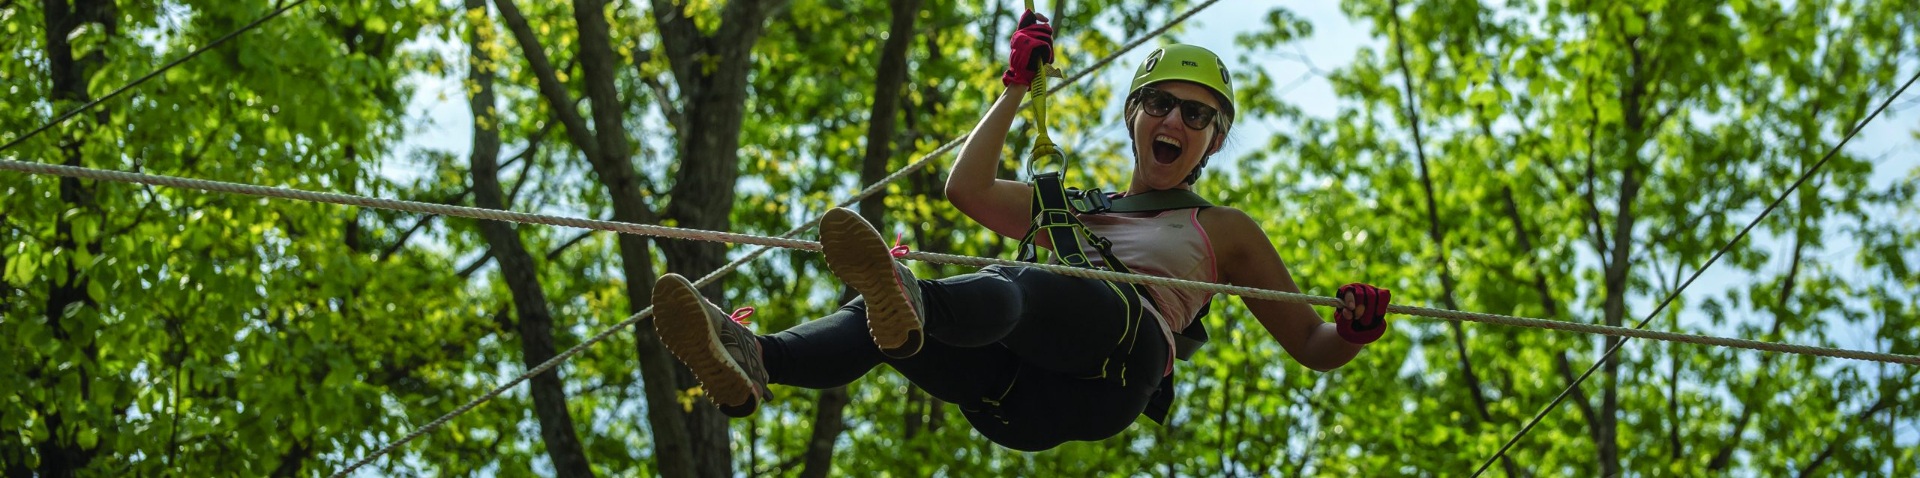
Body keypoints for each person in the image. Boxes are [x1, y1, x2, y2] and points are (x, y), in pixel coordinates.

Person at [652, 11, 1391, 452]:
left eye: (1196, 116)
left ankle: (915, 305)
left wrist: (1353, 331)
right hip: (1008, 400)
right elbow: (965, 189)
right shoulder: (1064, 207)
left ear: (1213, 142)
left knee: (1014, 284)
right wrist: (1016, 89)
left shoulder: (1223, 231)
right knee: (882, 316)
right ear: (1133, 117)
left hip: (1111, 373)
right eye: (1160, 104)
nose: (1174, 122)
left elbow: (1311, 347)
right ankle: (759, 360)